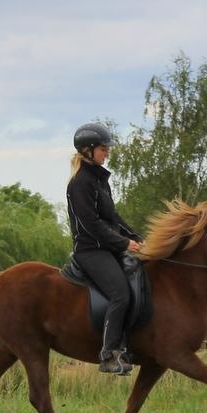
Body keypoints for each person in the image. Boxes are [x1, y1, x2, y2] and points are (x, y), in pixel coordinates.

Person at [66, 122, 144, 374]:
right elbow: (90, 224)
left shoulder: (100, 181)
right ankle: (109, 354)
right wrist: (123, 243)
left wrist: (135, 237)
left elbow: (112, 218)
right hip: (90, 250)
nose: (107, 152)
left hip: (108, 248)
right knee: (120, 292)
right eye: (102, 148)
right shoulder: (80, 183)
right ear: (87, 150)